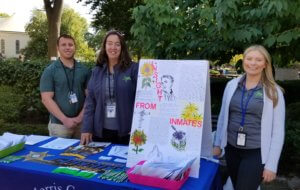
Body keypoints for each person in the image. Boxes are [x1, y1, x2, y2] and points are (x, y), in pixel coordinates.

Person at [213, 45, 285, 190]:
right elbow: (223, 118)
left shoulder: (273, 91)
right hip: (231, 149)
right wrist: (217, 144)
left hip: (256, 152)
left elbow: (278, 131)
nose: (253, 63)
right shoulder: (231, 85)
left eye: (258, 60)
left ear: (265, 64)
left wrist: (271, 165)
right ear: (243, 60)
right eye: (249, 58)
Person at [80, 30, 138, 145]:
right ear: (104, 46)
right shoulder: (97, 71)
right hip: (100, 133)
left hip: (127, 132)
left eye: (117, 44)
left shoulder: (133, 69)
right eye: (110, 43)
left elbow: (143, 100)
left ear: (122, 48)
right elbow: (90, 101)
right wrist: (86, 128)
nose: (113, 47)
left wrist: (138, 126)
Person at [40, 34, 91, 139]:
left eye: (70, 45)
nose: (67, 47)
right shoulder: (50, 71)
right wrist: (64, 119)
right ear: (58, 48)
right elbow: (46, 99)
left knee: (83, 154)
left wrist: (80, 118)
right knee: (60, 156)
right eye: (63, 45)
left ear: (75, 47)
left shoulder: (85, 70)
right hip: (59, 126)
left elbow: (90, 97)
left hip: (81, 125)